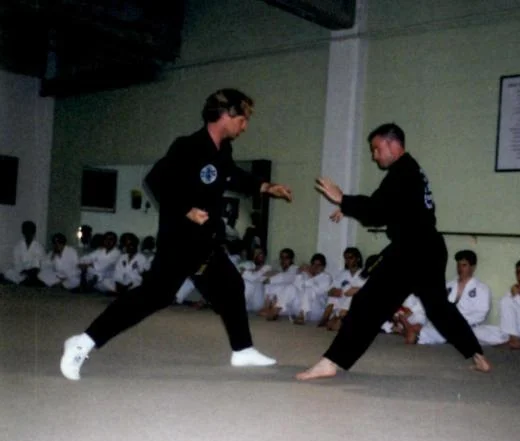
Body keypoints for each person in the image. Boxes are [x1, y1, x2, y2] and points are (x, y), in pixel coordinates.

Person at [60, 88, 292, 380]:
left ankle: (242, 350)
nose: (245, 126)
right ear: (226, 115)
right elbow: (155, 180)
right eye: (243, 119)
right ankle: (83, 343)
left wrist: (266, 187)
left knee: (231, 285)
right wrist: (186, 209)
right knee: (152, 297)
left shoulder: (223, 151)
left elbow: (232, 175)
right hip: (180, 239)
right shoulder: (188, 146)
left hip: (205, 242)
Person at [296, 123, 491, 380]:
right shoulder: (412, 170)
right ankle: (477, 355)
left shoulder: (402, 173)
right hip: (429, 246)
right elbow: (391, 208)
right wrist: (351, 208)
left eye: (377, 149)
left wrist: (343, 199)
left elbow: (377, 211)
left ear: (392, 144)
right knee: (438, 308)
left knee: (367, 302)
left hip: (411, 250)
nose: (374, 155)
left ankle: (331, 362)